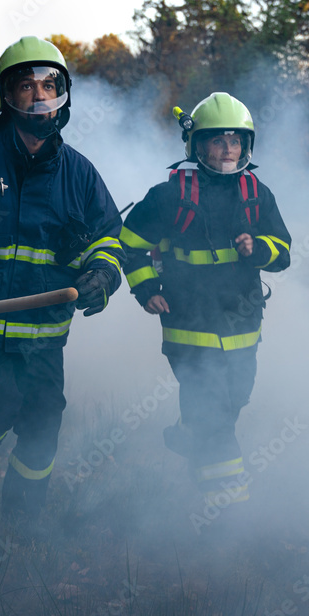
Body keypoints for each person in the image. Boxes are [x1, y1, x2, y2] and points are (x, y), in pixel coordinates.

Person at [0, 36, 123, 521]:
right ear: (5, 96)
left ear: (64, 92)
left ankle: (22, 516)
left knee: (43, 425)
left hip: (45, 337)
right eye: (25, 86)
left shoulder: (80, 174)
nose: (39, 96)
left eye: (49, 85)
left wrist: (102, 274)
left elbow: (108, 238)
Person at [119, 92, 291, 508]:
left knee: (234, 400)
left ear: (247, 145)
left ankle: (187, 433)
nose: (228, 149)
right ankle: (226, 506)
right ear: (197, 145)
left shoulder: (257, 192)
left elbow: (284, 252)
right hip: (188, 322)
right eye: (218, 140)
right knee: (213, 412)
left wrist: (260, 249)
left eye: (236, 140)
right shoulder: (169, 195)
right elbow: (128, 244)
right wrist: (146, 289)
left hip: (242, 322)